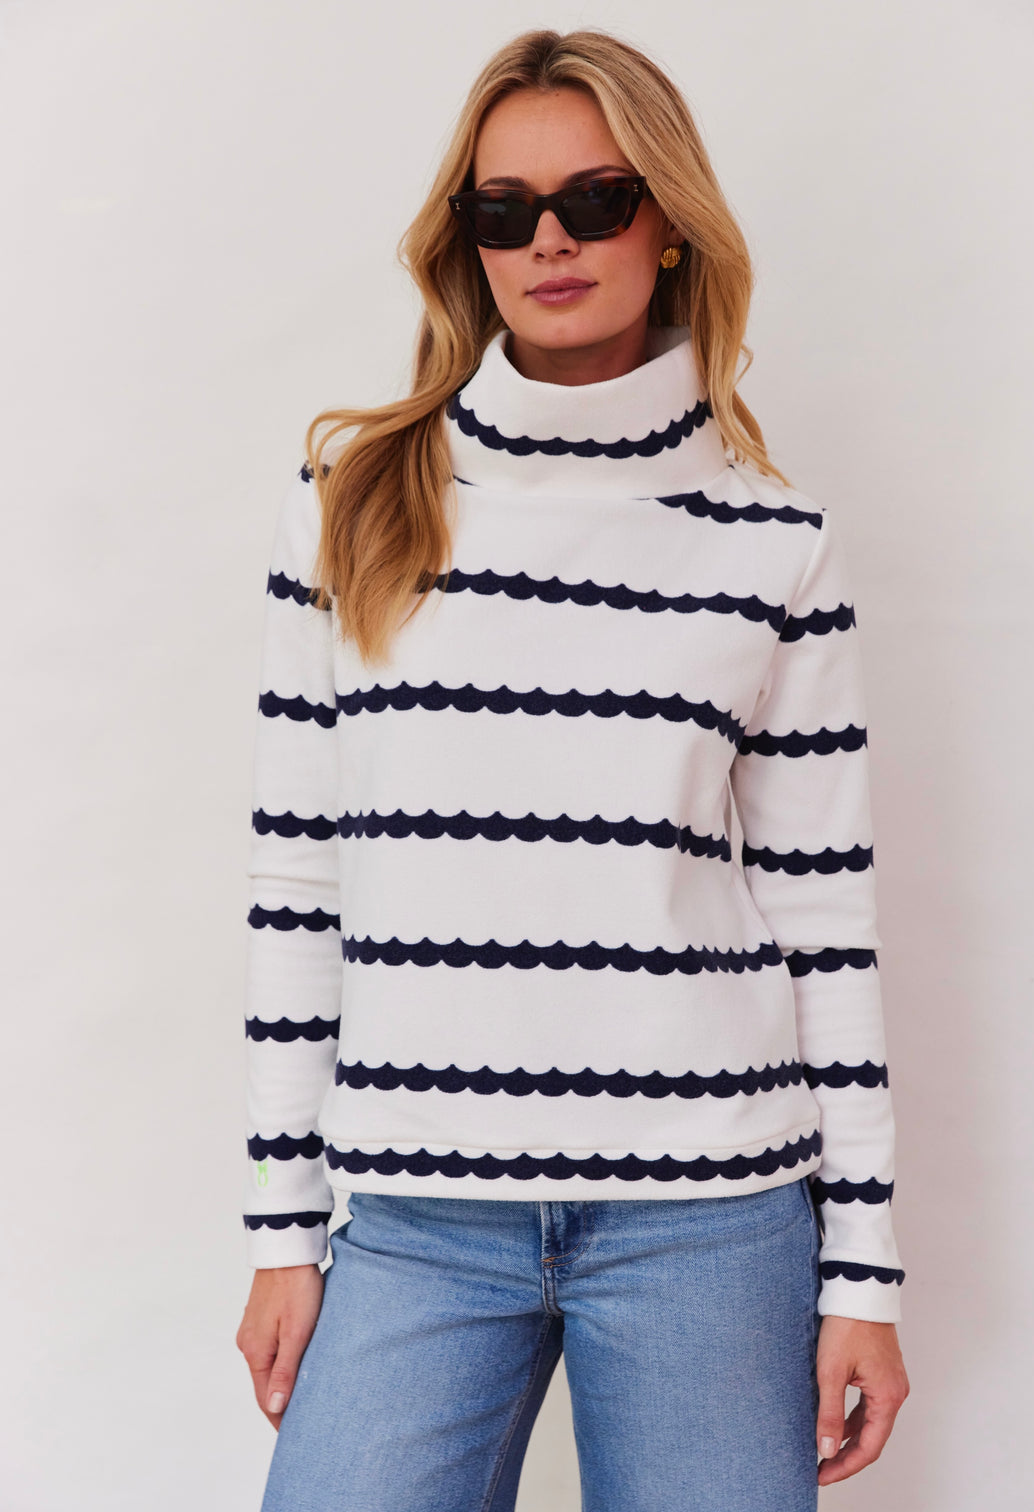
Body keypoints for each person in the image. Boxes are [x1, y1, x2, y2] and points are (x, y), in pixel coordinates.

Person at [234, 27, 910, 1511]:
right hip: (418, 1214)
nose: (549, 240)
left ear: (669, 225)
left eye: (596, 201)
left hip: (711, 1219)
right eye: (504, 209)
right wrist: (284, 1230)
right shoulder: (354, 501)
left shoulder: (772, 543)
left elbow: (823, 916)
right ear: (466, 241)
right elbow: (300, 881)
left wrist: (864, 1269)